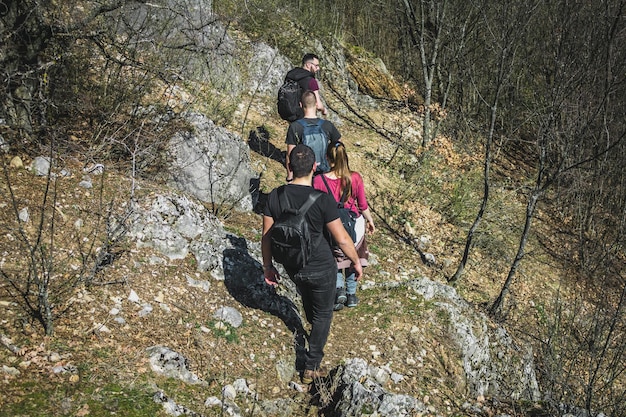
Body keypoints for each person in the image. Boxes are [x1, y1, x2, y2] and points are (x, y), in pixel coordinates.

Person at [262, 144, 362, 384]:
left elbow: (266, 236)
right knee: (323, 315)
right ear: (315, 167)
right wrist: (356, 262)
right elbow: (341, 239)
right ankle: (312, 365)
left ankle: (313, 331)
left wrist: (268, 266)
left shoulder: (275, 196)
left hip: (293, 267)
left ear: (289, 166)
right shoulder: (323, 201)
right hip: (321, 266)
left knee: (310, 303)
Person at [313, 141, 375, 310]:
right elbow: (362, 205)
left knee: (334, 258)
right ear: (345, 157)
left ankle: (339, 290)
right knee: (353, 256)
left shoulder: (318, 180)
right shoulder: (355, 178)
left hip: (330, 225)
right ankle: (352, 295)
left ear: (327, 157)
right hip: (353, 222)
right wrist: (370, 220)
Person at [285, 90, 341, 181]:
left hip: (304, 176)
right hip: (325, 175)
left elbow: (290, 154)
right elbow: (339, 148)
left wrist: (290, 177)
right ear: (316, 104)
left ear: (300, 104)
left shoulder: (295, 127)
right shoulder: (327, 125)